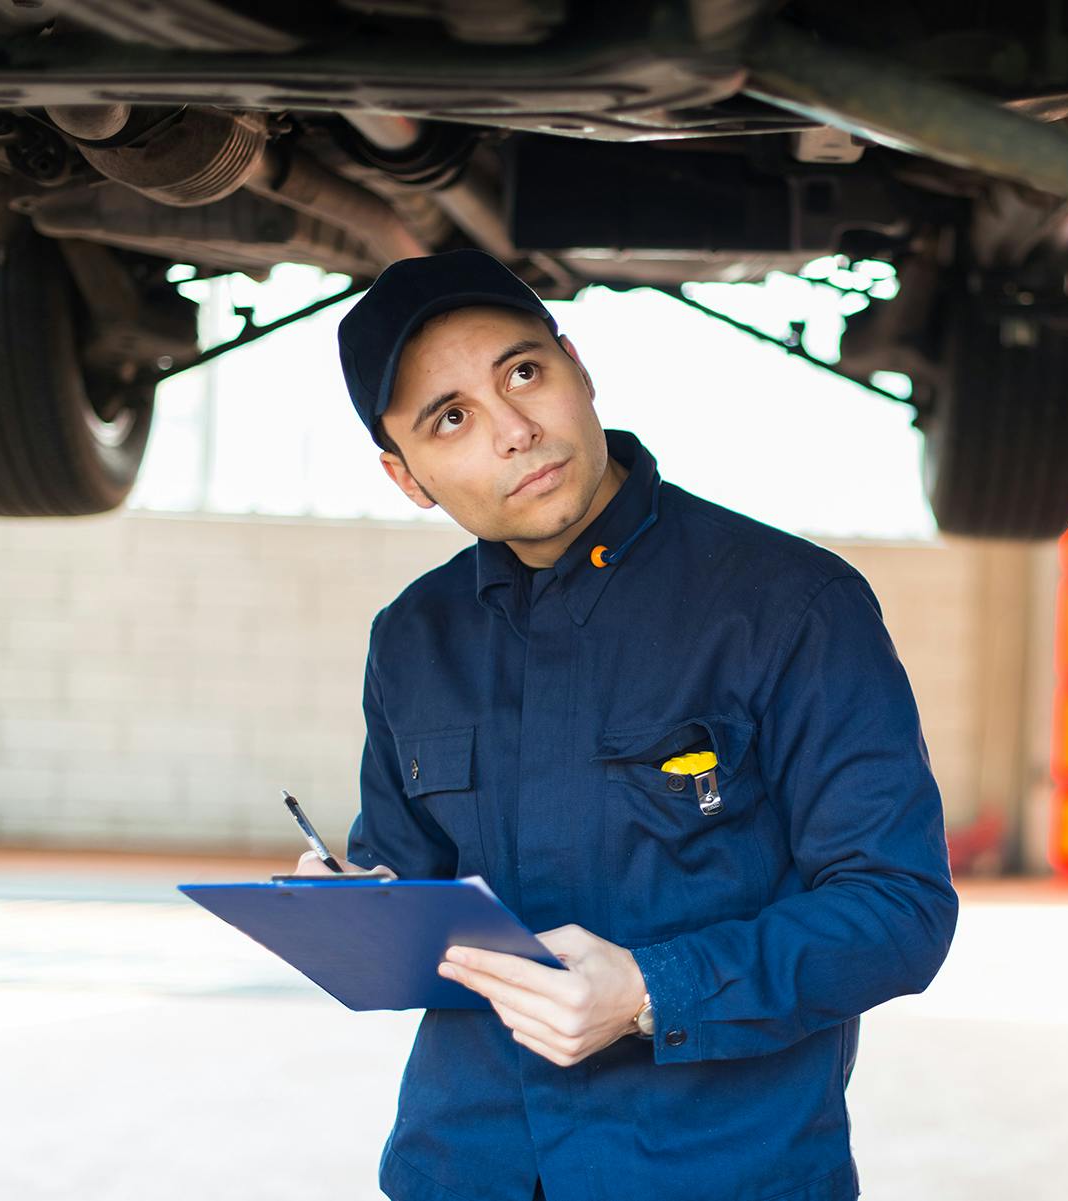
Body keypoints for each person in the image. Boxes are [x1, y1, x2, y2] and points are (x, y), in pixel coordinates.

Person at [292, 247, 959, 1201]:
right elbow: (411, 874)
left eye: (524, 372)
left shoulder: (791, 604)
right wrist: (355, 904)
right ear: (408, 477)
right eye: (452, 419)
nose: (516, 430)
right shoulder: (412, 637)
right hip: (463, 1167)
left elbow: (901, 909)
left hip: (718, 1175)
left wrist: (652, 991)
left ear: (578, 365)